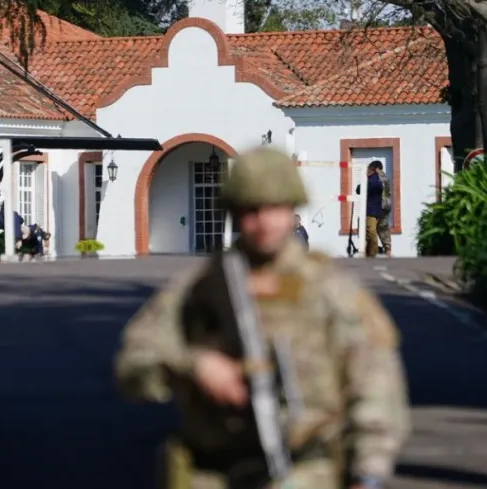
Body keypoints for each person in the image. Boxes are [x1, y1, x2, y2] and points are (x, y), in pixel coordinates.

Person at [115, 147, 410, 489]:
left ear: (292, 209)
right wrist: (192, 364)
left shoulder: (328, 287)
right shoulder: (202, 286)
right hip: (213, 471)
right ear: (234, 212)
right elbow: (134, 363)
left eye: (274, 208)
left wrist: (368, 472)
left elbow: (376, 383)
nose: (263, 222)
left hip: (305, 470)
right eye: (250, 210)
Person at [355, 161, 384, 258]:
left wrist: (365, 180)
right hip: (372, 211)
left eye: (370, 169)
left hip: (371, 211)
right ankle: (369, 255)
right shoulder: (375, 179)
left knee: (371, 234)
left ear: (375, 170)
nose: (367, 170)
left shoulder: (374, 180)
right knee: (367, 235)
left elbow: (359, 189)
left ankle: (372, 256)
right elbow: (359, 190)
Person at [375, 163, 392, 257]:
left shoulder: (377, 177)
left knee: (371, 226)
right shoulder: (386, 177)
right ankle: (387, 248)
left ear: (376, 168)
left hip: (379, 205)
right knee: (383, 227)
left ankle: (373, 248)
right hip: (387, 205)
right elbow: (389, 192)